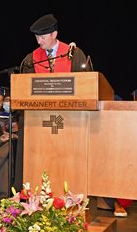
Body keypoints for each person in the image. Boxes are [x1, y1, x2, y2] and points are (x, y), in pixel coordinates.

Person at [15, 13, 92, 192]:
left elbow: (85, 87)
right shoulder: (31, 59)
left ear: (54, 34)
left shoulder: (74, 55)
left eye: (42, 37)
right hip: (38, 125)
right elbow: (24, 90)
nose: (38, 41)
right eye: (36, 37)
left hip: (71, 124)